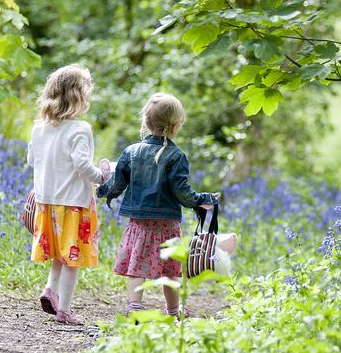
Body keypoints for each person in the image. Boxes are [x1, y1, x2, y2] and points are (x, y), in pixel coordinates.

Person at [98, 92, 219, 318]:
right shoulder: (177, 156)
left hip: (139, 223)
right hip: (166, 225)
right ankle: (173, 310)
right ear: (175, 126)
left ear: (145, 120)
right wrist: (200, 200)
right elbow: (181, 191)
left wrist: (102, 190)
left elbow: (117, 183)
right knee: (171, 270)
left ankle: (134, 307)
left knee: (136, 266)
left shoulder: (131, 152)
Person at [27, 65, 107, 325]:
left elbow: (31, 159)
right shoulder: (80, 129)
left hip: (46, 202)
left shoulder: (39, 127)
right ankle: (65, 310)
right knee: (72, 259)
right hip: (73, 204)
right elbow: (82, 165)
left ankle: (51, 291)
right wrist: (102, 177)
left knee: (59, 254)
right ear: (78, 96)